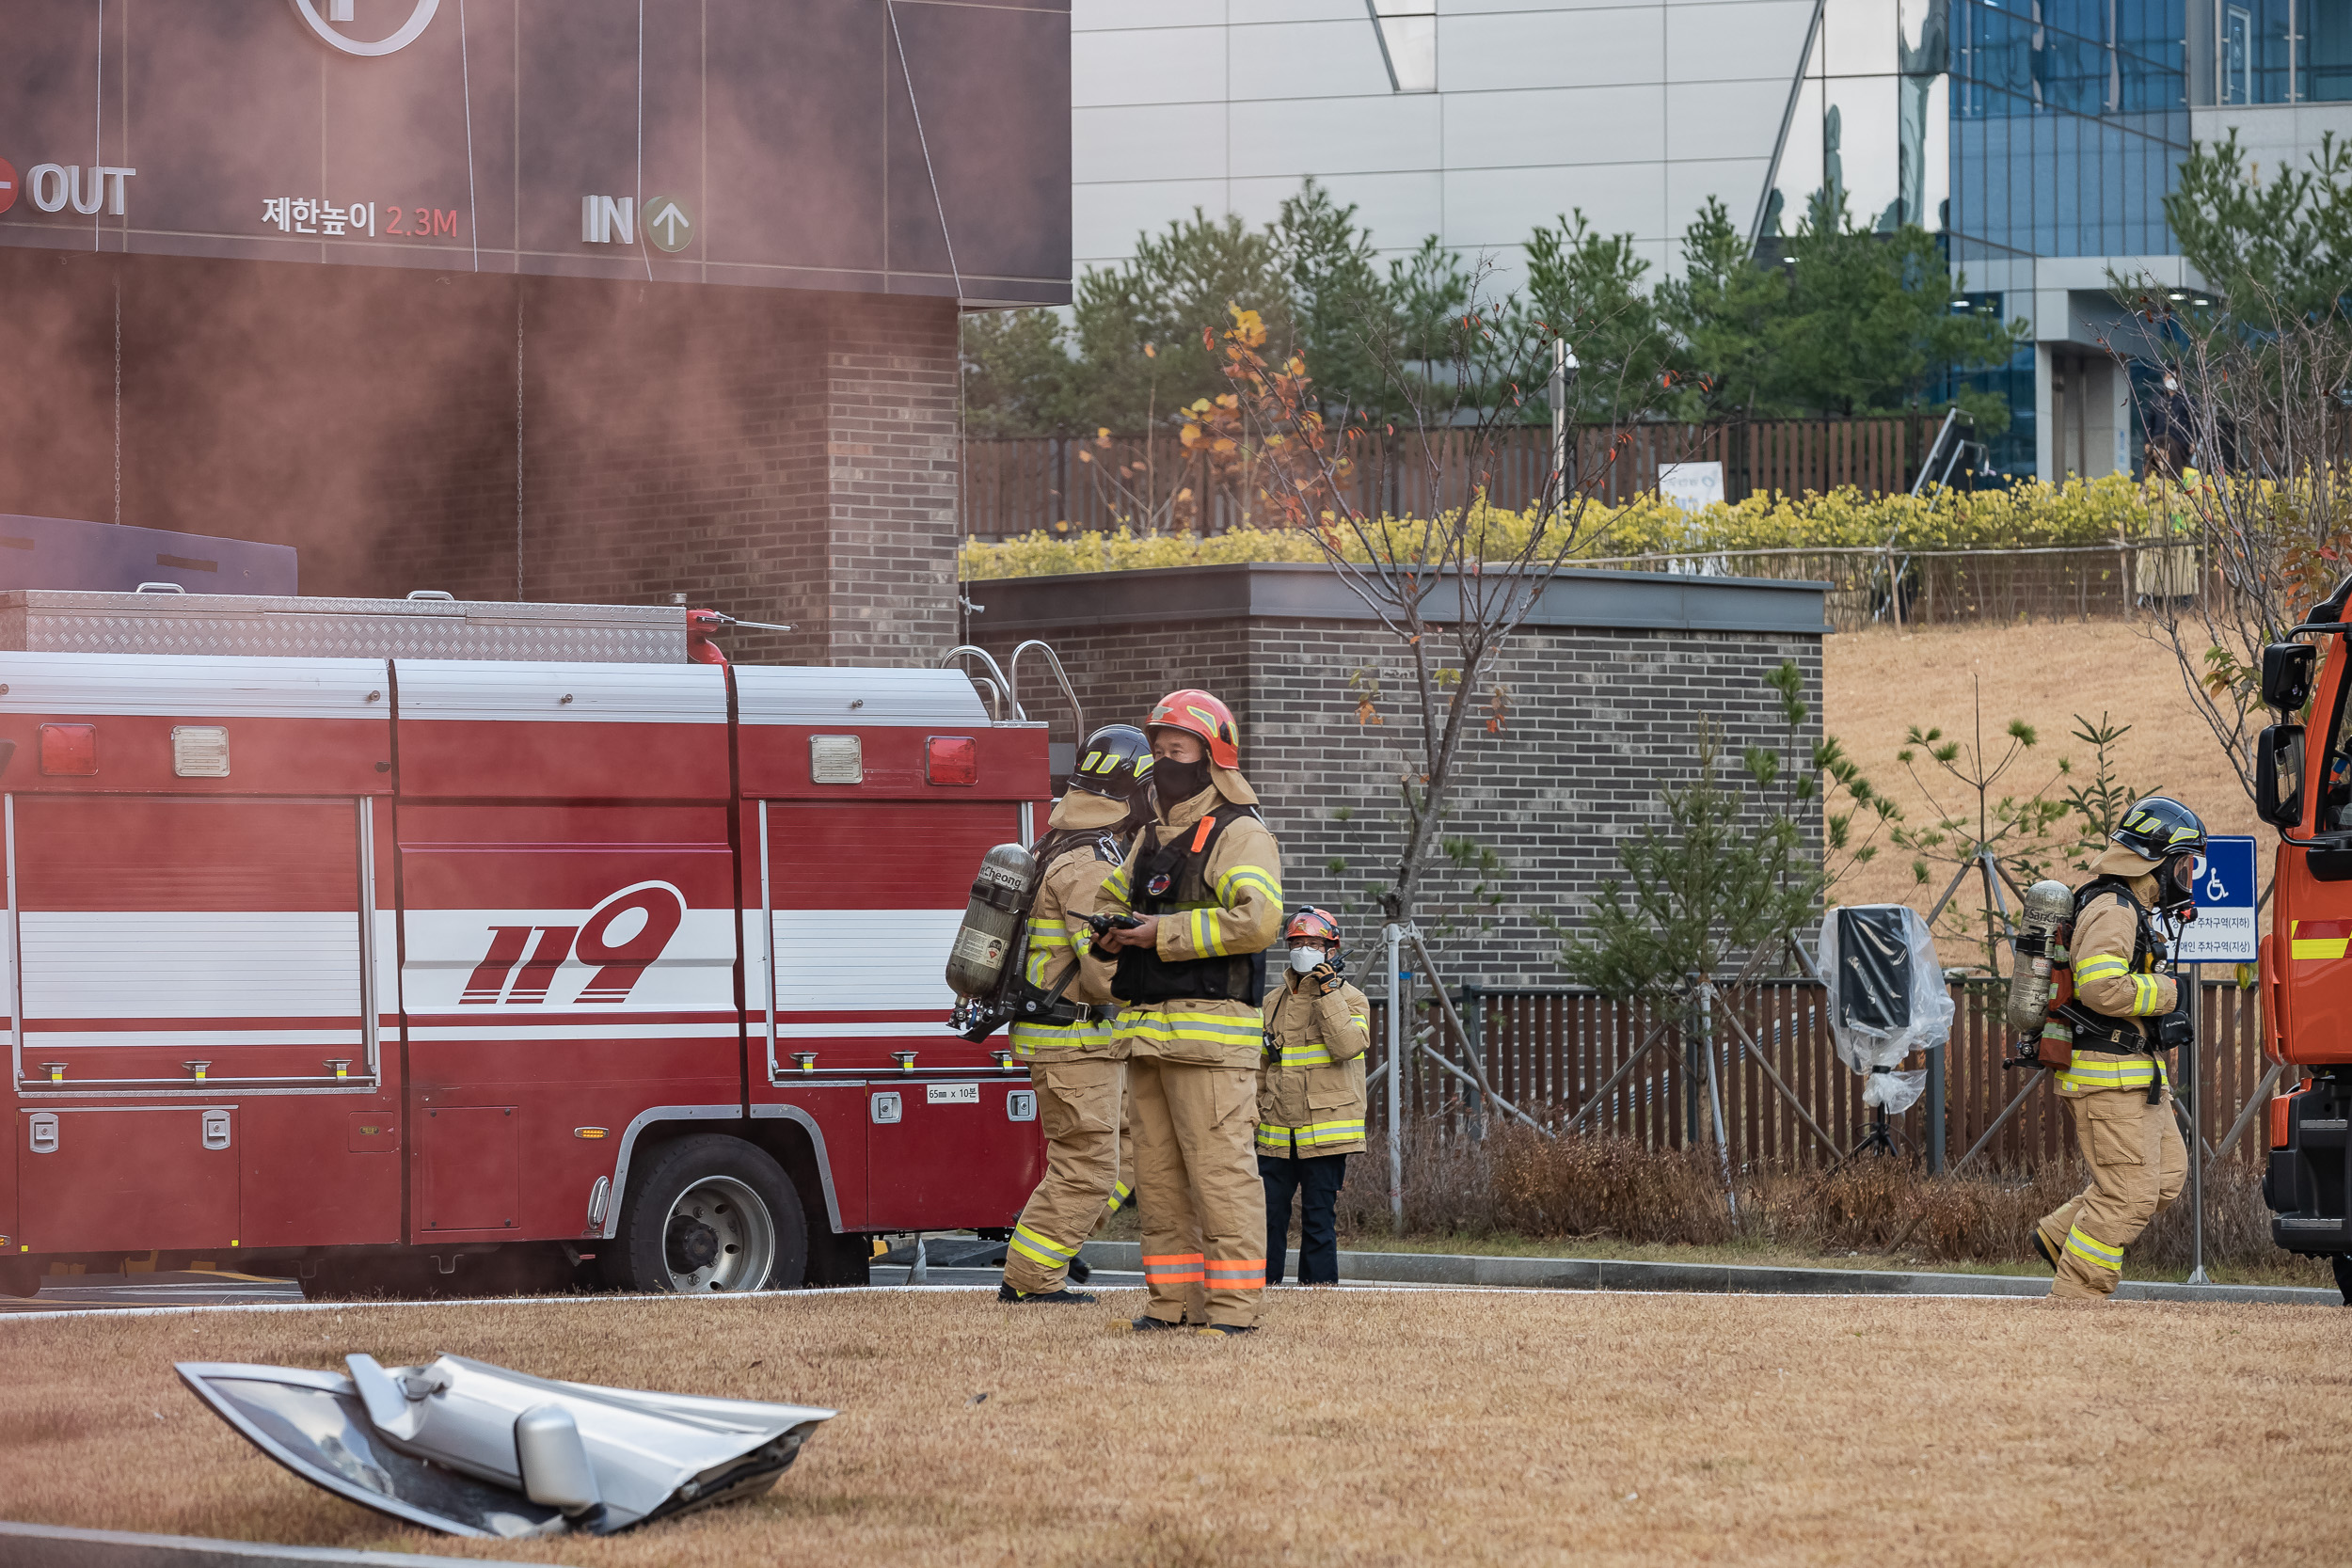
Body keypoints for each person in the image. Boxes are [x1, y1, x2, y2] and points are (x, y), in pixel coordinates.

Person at [1094, 689, 1283, 1336]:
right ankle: (1171, 1304)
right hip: (1147, 1035)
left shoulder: (1241, 831)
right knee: (1161, 1182)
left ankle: (1232, 1311)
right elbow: (1113, 903)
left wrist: (1160, 936)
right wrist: (1110, 932)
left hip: (1209, 1038)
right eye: (1159, 750)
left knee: (1221, 1178)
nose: (1164, 763)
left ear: (1212, 758)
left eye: (1177, 751)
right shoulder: (1149, 836)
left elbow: (1258, 921)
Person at [996, 723, 1152, 1305]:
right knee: (1086, 1168)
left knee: (1126, 1147)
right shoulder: (1088, 864)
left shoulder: (1059, 846)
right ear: (1131, 793)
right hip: (1073, 1037)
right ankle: (1032, 1281)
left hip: (1078, 1038)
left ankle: (1060, 1243)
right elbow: (1101, 968)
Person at [2032, 796, 2202, 1300]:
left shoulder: (2132, 909)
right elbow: (2100, 986)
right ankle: (2077, 1302)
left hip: (2137, 1077)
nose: (2187, 879)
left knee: (2167, 1177)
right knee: (2127, 1196)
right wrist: (2167, 993)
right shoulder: (2113, 908)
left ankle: (2060, 1236)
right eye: (2184, 866)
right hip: (2109, 1079)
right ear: (2157, 860)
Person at [1256, 908, 1369, 1287]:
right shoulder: (1272, 1002)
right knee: (1267, 1215)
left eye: (1314, 943)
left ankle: (1318, 1292)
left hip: (1326, 1130)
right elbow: (1262, 1065)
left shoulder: (1352, 1000)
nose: (1305, 949)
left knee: (1319, 1216)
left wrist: (1327, 995)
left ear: (1332, 949)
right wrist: (1251, 1118)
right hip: (1275, 1131)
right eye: (1298, 943)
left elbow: (1347, 1046)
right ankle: (1262, 1287)